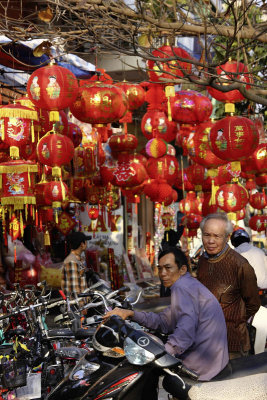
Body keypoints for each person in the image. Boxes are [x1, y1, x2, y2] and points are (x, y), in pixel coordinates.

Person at [105, 246, 229, 385]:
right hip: (210, 360)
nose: (163, 273)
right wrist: (130, 313)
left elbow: (184, 335)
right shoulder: (187, 284)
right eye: (160, 268)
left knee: (150, 373)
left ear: (182, 269)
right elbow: (164, 321)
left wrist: (160, 354)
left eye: (168, 268)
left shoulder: (183, 287)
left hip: (201, 367)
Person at [197, 213, 261, 358]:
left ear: (227, 238)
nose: (211, 241)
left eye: (217, 236)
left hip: (232, 343)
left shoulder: (240, 265)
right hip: (205, 339)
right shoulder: (203, 260)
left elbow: (253, 304)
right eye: (207, 235)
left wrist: (235, 320)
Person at [61, 231, 91, 299]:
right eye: (86, 242)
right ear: (82, 244)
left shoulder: (77, 259)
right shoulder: (72, 261)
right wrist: (81, 304)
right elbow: (75, 288)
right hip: (76, 306)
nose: (87, 244)